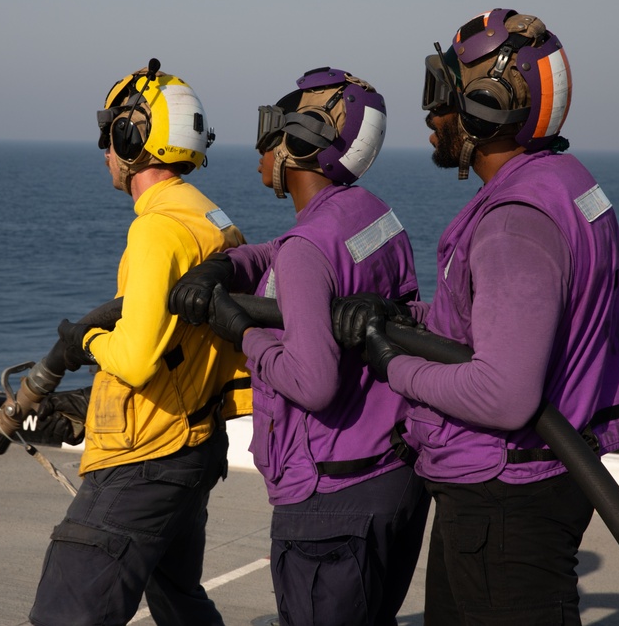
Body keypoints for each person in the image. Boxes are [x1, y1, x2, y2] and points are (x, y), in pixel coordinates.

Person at [332, 9, 619, 624]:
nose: (430, 115)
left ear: (486, 106)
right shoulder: (566, 183)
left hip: (506, 498)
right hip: (530, 481)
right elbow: (497, 318)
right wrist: (405, 316)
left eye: (442, 95)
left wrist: (394, 366)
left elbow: (502, 393)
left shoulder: (513, 223)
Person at [169, 68, 430, 626]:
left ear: (302, 142)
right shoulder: (373, 215)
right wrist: (227, 264)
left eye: (272, 130)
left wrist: (242, 331)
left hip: (329, 506)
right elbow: (291, 254)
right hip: (392, 478)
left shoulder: (306, 250)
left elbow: (313, 383)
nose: (261, 148)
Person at [28, 62, 251, 626]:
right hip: (194, 443)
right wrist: (81, 407)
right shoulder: (211, 217)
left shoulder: (156, 229)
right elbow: (183, 347)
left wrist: (88, 339)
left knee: (67, 610)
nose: (104, 149)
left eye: (110, 135)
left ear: (132, 138)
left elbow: (136, 357)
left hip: (142, 459)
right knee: (178, 599)